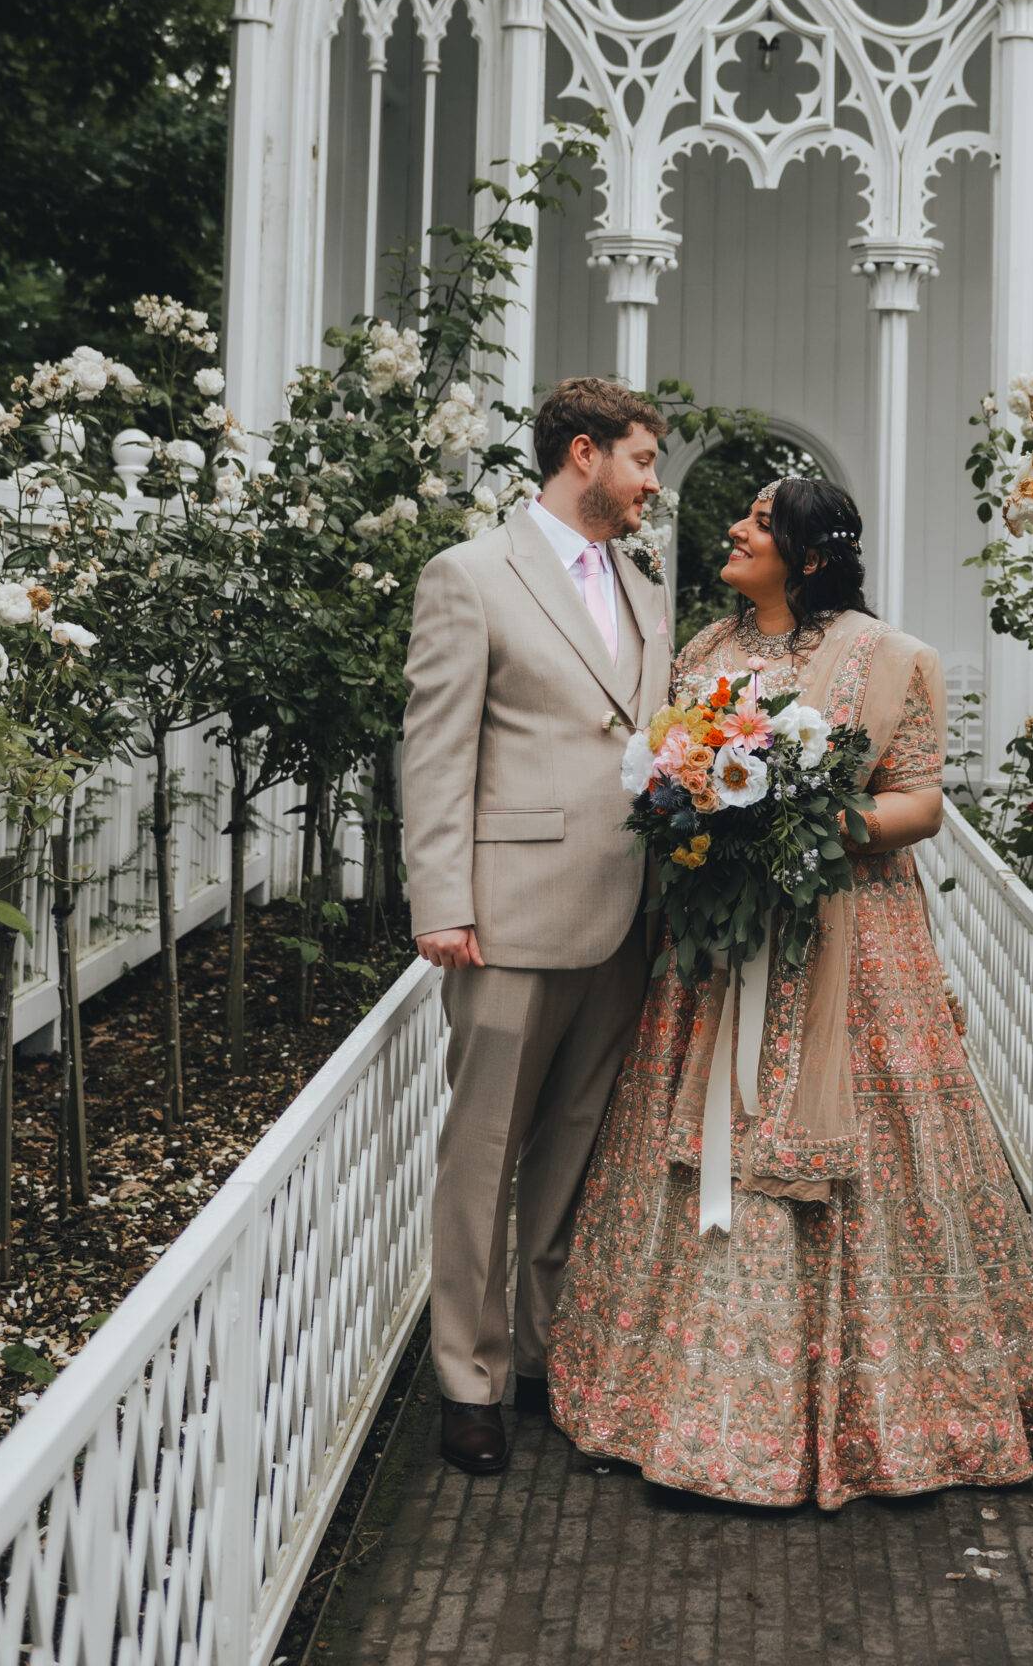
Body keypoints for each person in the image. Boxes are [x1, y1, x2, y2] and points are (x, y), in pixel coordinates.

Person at [548, 476, 1033, 1507]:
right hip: (720, 950)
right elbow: (669, 773)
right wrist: (699, 811)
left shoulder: (893, 658)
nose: (734, 530)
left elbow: (919, 804)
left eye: (759, 523)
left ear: (809, 556)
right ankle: (686, 1403)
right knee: (714, 1132)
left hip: (850, 945)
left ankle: (887, 1413)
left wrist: (796, 823)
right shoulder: (702, 653)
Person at [402, 375, 671, 1476]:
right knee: (483, 1155)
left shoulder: (644, 583)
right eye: (641, 460)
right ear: (582, 454)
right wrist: (441, 902)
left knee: (571, 1151)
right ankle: (465, 1379)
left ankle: (540, 1357)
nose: (652, 484)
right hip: (507, 916)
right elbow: (435, 747)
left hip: (626, 915)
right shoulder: (470, 574)